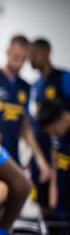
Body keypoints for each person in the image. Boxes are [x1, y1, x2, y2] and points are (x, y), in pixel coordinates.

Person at [0, 35, 51, 180]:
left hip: (12, 153)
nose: (19, 62)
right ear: (8, 51)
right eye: (16, 56)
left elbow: (25, 124)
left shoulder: (25, 87)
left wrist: (40, 160)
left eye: (23, 58)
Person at [29, 38, 70, 216]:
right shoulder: (36, 86)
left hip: (64, 148)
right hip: (49, 153)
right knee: (49, 204)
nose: (30, 58)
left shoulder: (63, 78)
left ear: (46, 51)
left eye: (34, 53)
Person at [37, 100, 70, 221]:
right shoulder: (58, 135)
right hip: (62, 192)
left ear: (64, 118)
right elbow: (55, 153)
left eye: (54, 129)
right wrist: (53, 186)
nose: (52, 134)